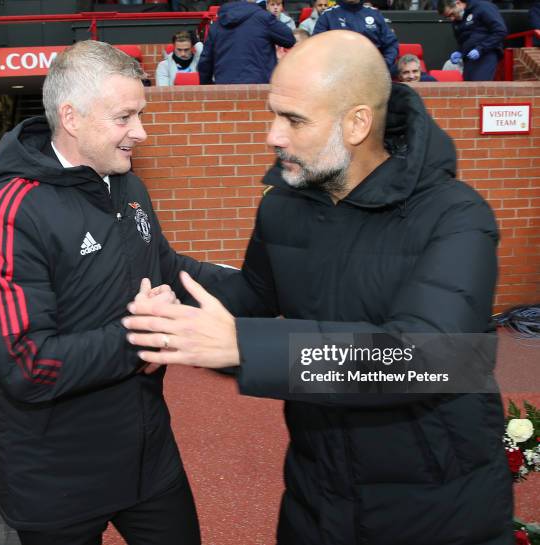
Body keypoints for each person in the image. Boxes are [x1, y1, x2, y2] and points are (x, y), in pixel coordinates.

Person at [122, 31, 513, 545]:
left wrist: (245, 346)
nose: (273, 136)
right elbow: (252, 297)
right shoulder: (284, 206)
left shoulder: (456, 215)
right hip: (317, 493)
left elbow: (430, 357)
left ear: (357, 123)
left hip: (436, 507)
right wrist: (163, 279)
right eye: (273, 114)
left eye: (294, 120)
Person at [0, 40, 230, 545]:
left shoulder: (127, 185)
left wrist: (270, 287)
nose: (141, 132)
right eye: (124, 116)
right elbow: (27, 364)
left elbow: (169, 272)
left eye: (140, 114)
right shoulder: (10, 213)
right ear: (72, 116)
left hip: (148, 459)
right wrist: (142, 337)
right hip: (56, 481)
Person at [197, 0, 295, 84]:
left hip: (226, 89)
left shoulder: (216, 26)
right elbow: (289, 39)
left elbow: (205, 62)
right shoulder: (264, 18)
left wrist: (207, 87)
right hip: (259, 89)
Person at [313, 0, 400, 75]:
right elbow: (317, 48)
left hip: (373, 72)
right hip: (338, 74)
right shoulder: (328, 16)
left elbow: (391, 44)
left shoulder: (374, 14)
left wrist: (384, 64)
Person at [438, 0, 507, 81]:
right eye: (447, 17)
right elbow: (462, 40)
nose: (451, 19)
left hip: (487, 54)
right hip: (469, 58)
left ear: (458, 3)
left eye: (451, 14)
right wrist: (459, 52)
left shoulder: (482, 7)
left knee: (479, 87)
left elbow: (500, 31)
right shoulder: (456, 21)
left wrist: (480, 48)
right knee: (468, 88)